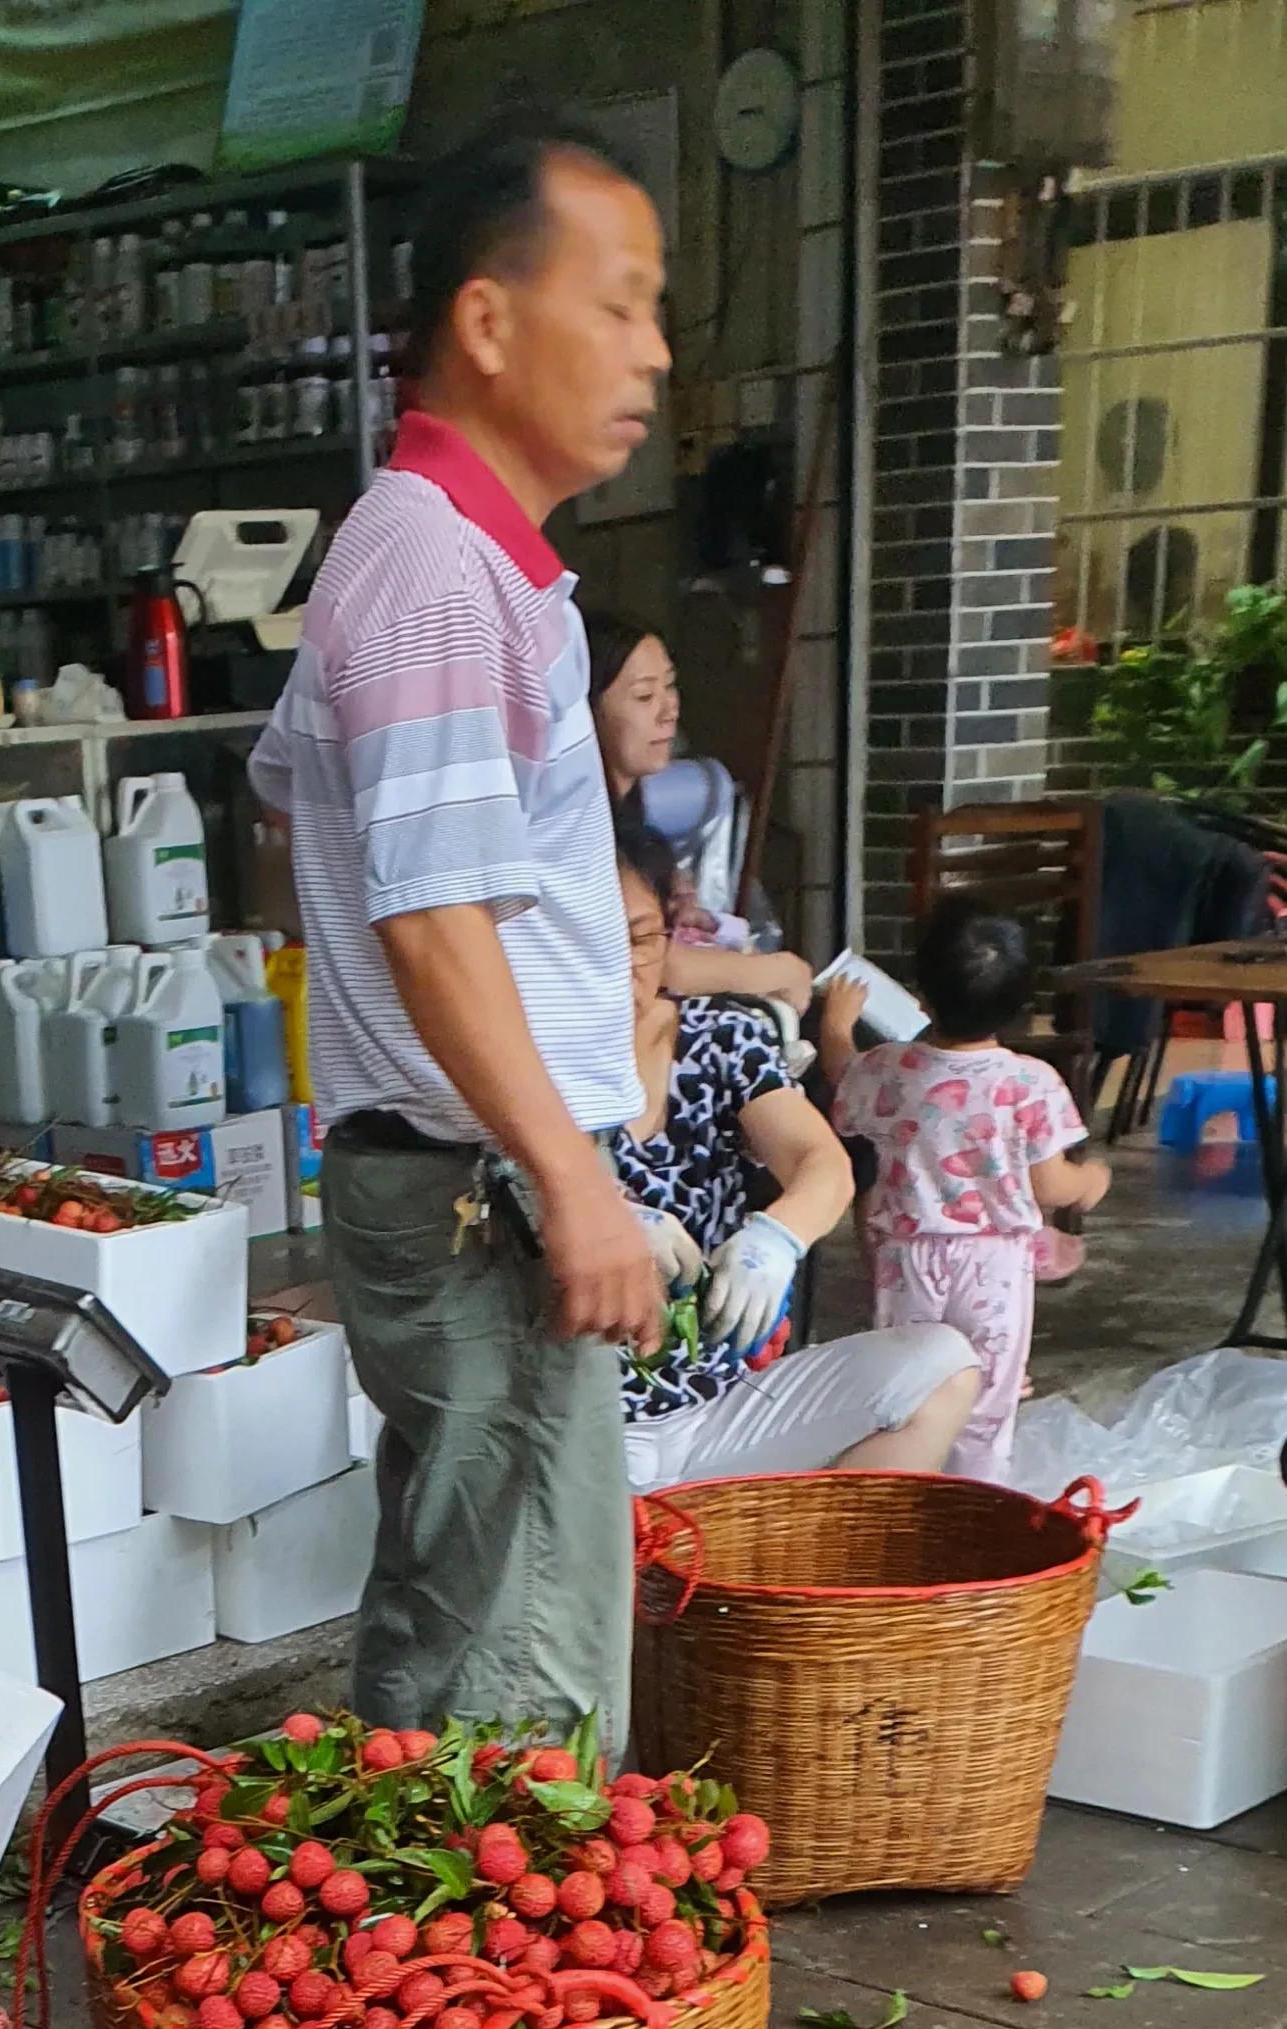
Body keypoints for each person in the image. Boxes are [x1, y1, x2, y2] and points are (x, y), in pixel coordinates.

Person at [249, 114, 671, 1742]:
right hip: (474, 1191)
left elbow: (299, 811)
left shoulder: (452, 562)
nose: (647, 353)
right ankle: (507, 1989)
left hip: (453, 1176)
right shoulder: (432, 575)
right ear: (489, 326)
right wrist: (565, 1179)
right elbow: (431, 919)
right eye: (619, 302)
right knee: (522, 1646)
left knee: (474, 1594)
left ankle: (452, 1965)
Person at [610, 847, 981, 1487]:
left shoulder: (719, 1037)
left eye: (642, 937)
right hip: (579, 1425)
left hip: (718, 1406)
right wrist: (606, 1222)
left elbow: (821, 1162)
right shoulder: (522, 1065)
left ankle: (806, 1573)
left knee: (941, 1366)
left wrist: (773, 1239)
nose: (621, 959)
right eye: (589, 934)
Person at [832, 894, 1111, 1483]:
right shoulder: (1032, 1082)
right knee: (986, 1409)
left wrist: (835, 1025)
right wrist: (1092, 1181)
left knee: (907, 1397)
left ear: (921, 994)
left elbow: (843, 1078)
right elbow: (1054, 1186)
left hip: (906, 1258)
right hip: (994, 1265)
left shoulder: (887, 1068)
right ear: (1021, 1002)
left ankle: (907, 1502)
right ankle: (977, 1515)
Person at [591, 616, 817, 1013]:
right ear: (586, 711)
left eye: (670, 686)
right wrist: (782, 970)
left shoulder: (635, 827)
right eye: (645, 696)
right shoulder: (578, 834)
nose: (669, 711)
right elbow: (658, 965)